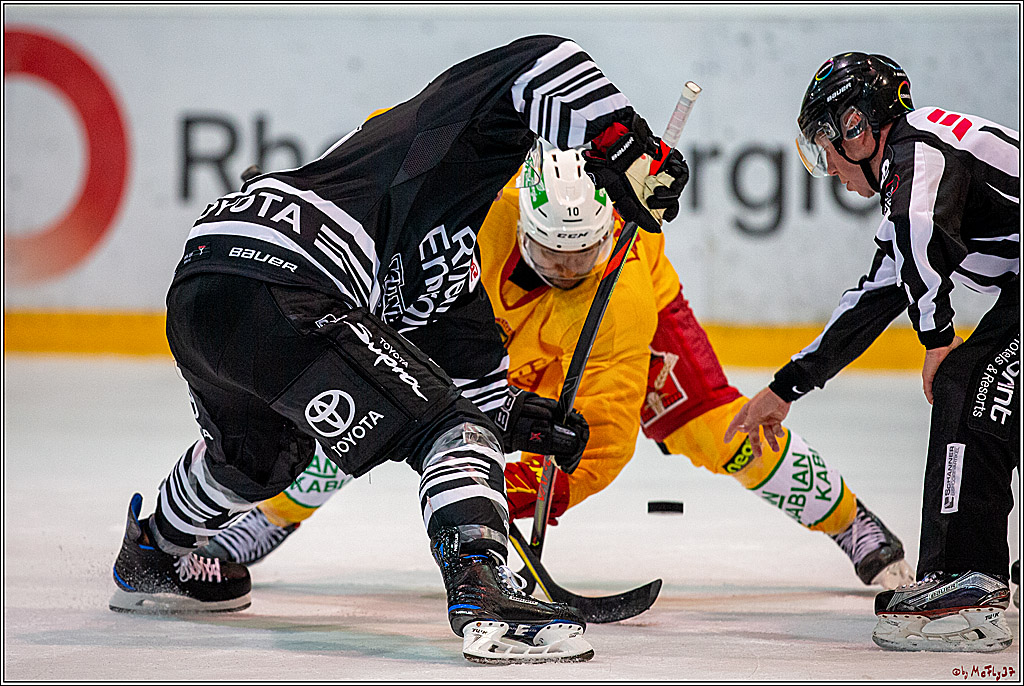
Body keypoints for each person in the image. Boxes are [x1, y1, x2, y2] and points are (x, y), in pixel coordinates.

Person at [107, 34, 690, 664]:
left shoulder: (450, 271)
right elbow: (545, 58)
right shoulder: (444, 145)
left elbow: (470, 387)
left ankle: (152, 555)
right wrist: (628, 146)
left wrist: (520, 417)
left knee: (256, 460)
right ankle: (486, 592)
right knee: (449, 432)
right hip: (291, 275)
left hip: (206, 287)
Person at [204, 142, 915, 594]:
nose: (570, 270)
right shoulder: (478, 217)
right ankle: (270, 515)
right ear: (525, 224)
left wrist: (505, 491)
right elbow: (392, 148)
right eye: (554, 256)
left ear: (607, 232)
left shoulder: (618, 295)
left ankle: (853, 524)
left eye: (585, 256)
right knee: (374, 396)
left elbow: (602, 446)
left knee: (719, 429)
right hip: (488, 323)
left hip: (615, 334)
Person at [725, 52, 1019, 653]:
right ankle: (968, 572)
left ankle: (971, 584)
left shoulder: (920, 159)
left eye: (827, 144)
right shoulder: (917, 160)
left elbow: (917, 243)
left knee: (967, 388)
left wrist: (938, 342)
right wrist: (787, 387)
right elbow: (876, 294)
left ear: (857, 127)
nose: (829, 167)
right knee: (978, 392)